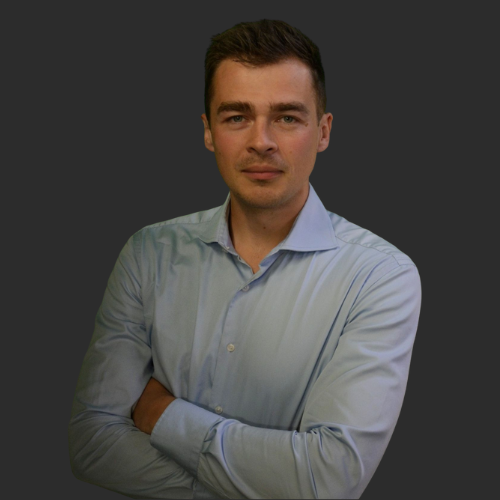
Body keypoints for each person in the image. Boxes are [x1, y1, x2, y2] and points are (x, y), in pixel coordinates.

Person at [69, 19, 421, 499]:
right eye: (237, 117)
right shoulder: (148, 253)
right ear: (208, 131)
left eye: (287, 117)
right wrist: (267, 484)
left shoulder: (380, 277)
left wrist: (162, 414)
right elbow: (91, 445)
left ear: (323, 131)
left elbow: (330, 481)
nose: (262, 141)